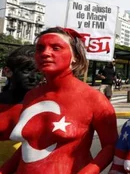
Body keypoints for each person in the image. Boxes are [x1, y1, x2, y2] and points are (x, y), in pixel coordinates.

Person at [0, 27, 117, 174]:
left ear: (75, 57)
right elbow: (28, 147)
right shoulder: (31, 96)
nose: (46, 53)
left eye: (56, 48)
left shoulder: (94, 99)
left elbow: (110, 147)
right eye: (40, 48)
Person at [0, 46, 40, 166]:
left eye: (38, 71)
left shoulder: (47, 105)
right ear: (7, 71)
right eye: (26, 70)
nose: (33, 77)